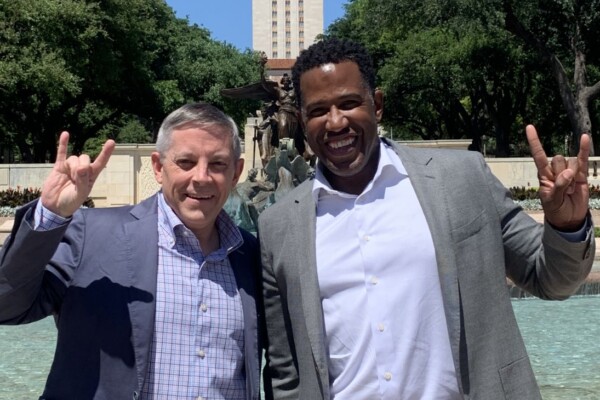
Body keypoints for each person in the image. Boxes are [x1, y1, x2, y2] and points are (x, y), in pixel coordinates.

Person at [258, 37, 595, 399]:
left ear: (378, 105)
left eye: (350, 103)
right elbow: (285, 371)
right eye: (318, 110)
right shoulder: (279, 227)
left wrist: (565, 225)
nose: (335, 122)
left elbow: (551, 280)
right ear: (303, 120)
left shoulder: (462, 178)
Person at [0, 103, 267, 399]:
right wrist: (51, 215)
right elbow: (7, 305)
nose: (202, 177)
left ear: (236, 172)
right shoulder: (90, 234)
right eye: (186, 162)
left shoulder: (252, 254)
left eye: (217, 164)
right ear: (157, 167)